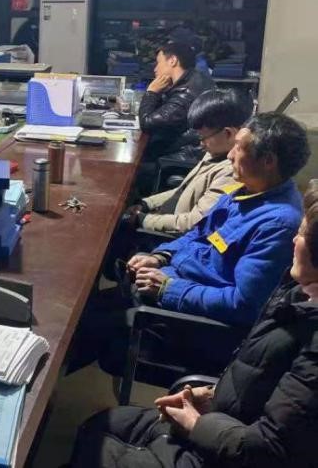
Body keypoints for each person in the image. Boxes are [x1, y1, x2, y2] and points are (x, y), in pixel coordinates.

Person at [69, 184, 318, 468]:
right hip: (223, 422)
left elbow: (268, 450)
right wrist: (212, 394)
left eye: (302, 233)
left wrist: (196, 424)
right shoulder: (297, 292)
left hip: (224, 452)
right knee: (99, 425)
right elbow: (259, 373)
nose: (294, 239)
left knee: (96, 450)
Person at [71, 112, 310, 376]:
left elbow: (243, 305)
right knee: (82, 309)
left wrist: (168, 289)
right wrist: (161, 256)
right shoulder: (246, 191)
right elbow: (198, 233)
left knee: (86, 326)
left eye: (239, 148)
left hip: (193, 326)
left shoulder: (277, 225)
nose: (230, 155)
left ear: (268, 161)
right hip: (168, 288)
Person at [131, 89, 252, 236]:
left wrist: (143, 220)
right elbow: (182, 191)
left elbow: (195, 223)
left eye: (203, 138)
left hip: (173, 237)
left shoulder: (232, 172)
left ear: (228, 133)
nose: (201, 144)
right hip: (164, 217)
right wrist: (146, 204)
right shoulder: (215, 152)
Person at [139, 41, 215, 162]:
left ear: (172, 61)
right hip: (185, 148)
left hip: (181, 155)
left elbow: (147, 124)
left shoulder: (186, 93)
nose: (155, 69)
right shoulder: (195, 78)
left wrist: (151, 92)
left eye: (158, 63)